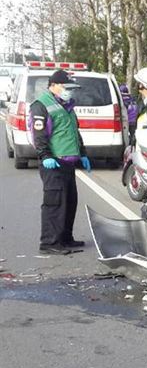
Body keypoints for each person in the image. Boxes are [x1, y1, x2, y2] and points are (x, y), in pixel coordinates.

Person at [31, 69, 91, 255]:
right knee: (54, 203)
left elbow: (74, 133)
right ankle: (49, 242)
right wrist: (45, 156)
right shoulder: (41, 105)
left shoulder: (67, 107)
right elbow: (39, 135)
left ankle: (65, 238)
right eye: (66, 87)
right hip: (54, 162)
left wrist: (82, 153)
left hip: (68, 163)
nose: (70, 91)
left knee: (69, 201)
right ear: (53, 86)